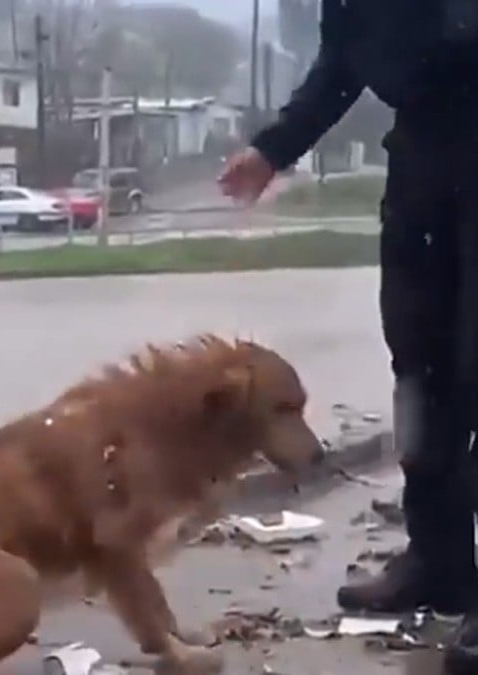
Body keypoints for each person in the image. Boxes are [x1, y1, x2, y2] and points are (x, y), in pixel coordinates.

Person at [219, 1, 478, 671]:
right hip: (422, 164)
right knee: (418, 371)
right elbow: (341, 63)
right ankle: (440, 560)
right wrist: (273, 149)